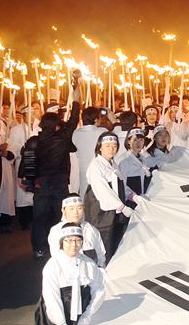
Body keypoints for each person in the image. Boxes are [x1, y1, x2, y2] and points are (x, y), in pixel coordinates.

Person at [32, 78, 80, 259]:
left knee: (39, 218)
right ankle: (60, 245)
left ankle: (39, 248)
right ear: (56, 124)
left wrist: (31, 182)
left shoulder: (34, 141)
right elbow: (74, 117)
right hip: (59, 181)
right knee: (60, 215)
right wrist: (76, 95)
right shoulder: (64, 138)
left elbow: (28, 165)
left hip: (42, 183)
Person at [84, 132, 145, 262]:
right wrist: (122, 207)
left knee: (115, 241)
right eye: (107, 146)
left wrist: (133, 196)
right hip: (101, 212)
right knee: (104, 243)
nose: (111, 149)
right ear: (100, 147)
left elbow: (121, 184)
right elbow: (102, 190)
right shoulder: (96, 166)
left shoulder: (112, 163)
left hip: (114, 211)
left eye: (114, 146)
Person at [36, 222, 105, 325]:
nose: (74, 245)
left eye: (78, 240)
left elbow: (98, 290)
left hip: (84, 313)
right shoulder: (52, 266)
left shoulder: (89, 264)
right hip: (57, 315)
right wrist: (61, 322)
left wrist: (86, 317)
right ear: (62, 242)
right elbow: (52, 298)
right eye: (68, 240)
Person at [48, 195, 106, 268]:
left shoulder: (91, 230)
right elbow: (56, 257)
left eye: (79, 208)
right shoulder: (56, 231)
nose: (76, 212)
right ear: (63, 210)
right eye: (71, 208)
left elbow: (101, 255)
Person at [72, 107, 108, 198]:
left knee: (84, 196)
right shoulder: (103, 132)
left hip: (83, 169)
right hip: (99, 169)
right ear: (96, 119)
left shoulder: (75, 133)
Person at [118, 128, 152, 195]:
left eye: (141, 140)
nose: (138, 143)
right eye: (135, 140)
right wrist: (132, 197)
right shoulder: (123, 160)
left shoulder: (143, 159)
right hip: (130, 200)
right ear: (128, 141)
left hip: (143, 197)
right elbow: (122, 184)